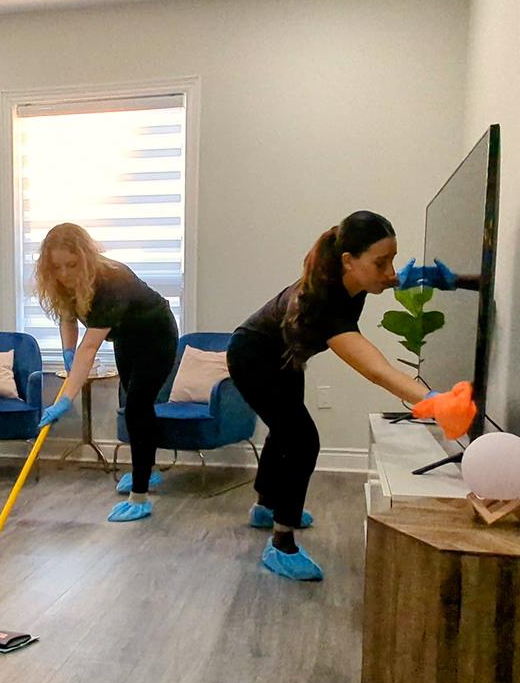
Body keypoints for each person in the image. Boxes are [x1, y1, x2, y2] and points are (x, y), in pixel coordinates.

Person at [228, 210, 463, 580]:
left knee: (285, 430)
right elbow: (377, 369)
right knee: (302, 440)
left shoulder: (350, 277)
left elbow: (388, 280)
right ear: (348, 262)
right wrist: (436, 402)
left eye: (393, 260)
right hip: (252, 357)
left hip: (284, 356)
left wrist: (446, 280)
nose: (389, 272)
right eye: (381, 262)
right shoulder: (323, 304)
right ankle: (281, 544)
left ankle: (266, 507)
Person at [34, 223, 179, 522]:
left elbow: (90, 348)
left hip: (156, 335)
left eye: (71, 265)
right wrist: (66, 351)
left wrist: (65, 398)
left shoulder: (112, 281)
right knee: (132, 406)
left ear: (86, 257)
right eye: (56, 267)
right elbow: (68, 318)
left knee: (139, 406)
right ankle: (147, 472)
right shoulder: (64, 282)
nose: (63, 273)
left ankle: (140, 497)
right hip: (125, 337)